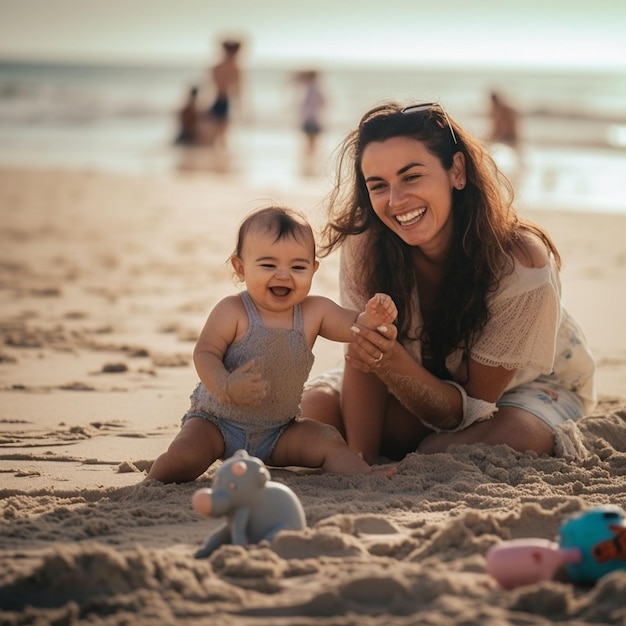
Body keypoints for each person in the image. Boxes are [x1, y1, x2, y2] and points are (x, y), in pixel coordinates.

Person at [301, 101, 596, 463]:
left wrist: (387, 357)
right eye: (378, 186)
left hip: (517, 392)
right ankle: (404, 442)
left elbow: (468, 408)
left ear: (457, 171)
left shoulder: (520, 262)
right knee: (310, 414)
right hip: (409, 381)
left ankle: (415, 442)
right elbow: (364, 359)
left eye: (411, 177)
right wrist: (362, 461)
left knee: (495, 438)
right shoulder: (367, 243)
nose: (396, 201)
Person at [147, 206, 398, 483]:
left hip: (279, 432)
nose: (283, 275)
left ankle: (363, 476)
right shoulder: (233, 311)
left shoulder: (315, 312)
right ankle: (152, 482)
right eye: (268, 265)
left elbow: (353, 326)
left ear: (313, 269)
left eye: (298, 267)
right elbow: (205, 353)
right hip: (217, 423)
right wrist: (225, 385)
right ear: (240, 268)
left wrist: (372, 318)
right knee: (186, 455)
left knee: (328, 439)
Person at [202, 39, 242, 149]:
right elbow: (237, 89)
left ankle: (216, 153)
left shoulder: (217, 67)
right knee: (221, 130)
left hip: (216, 99)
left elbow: (209, 85)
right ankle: (220, 156)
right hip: (223, 100)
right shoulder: (234, 67)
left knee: (216, 130)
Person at [297, 70, 325, 174]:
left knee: (310, 144)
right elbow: (323, 102)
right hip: (313, 120)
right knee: (312, 144)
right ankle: (310, 166)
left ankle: (308, 166)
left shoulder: (310, 88)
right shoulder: (314, 88)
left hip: (310, 119)